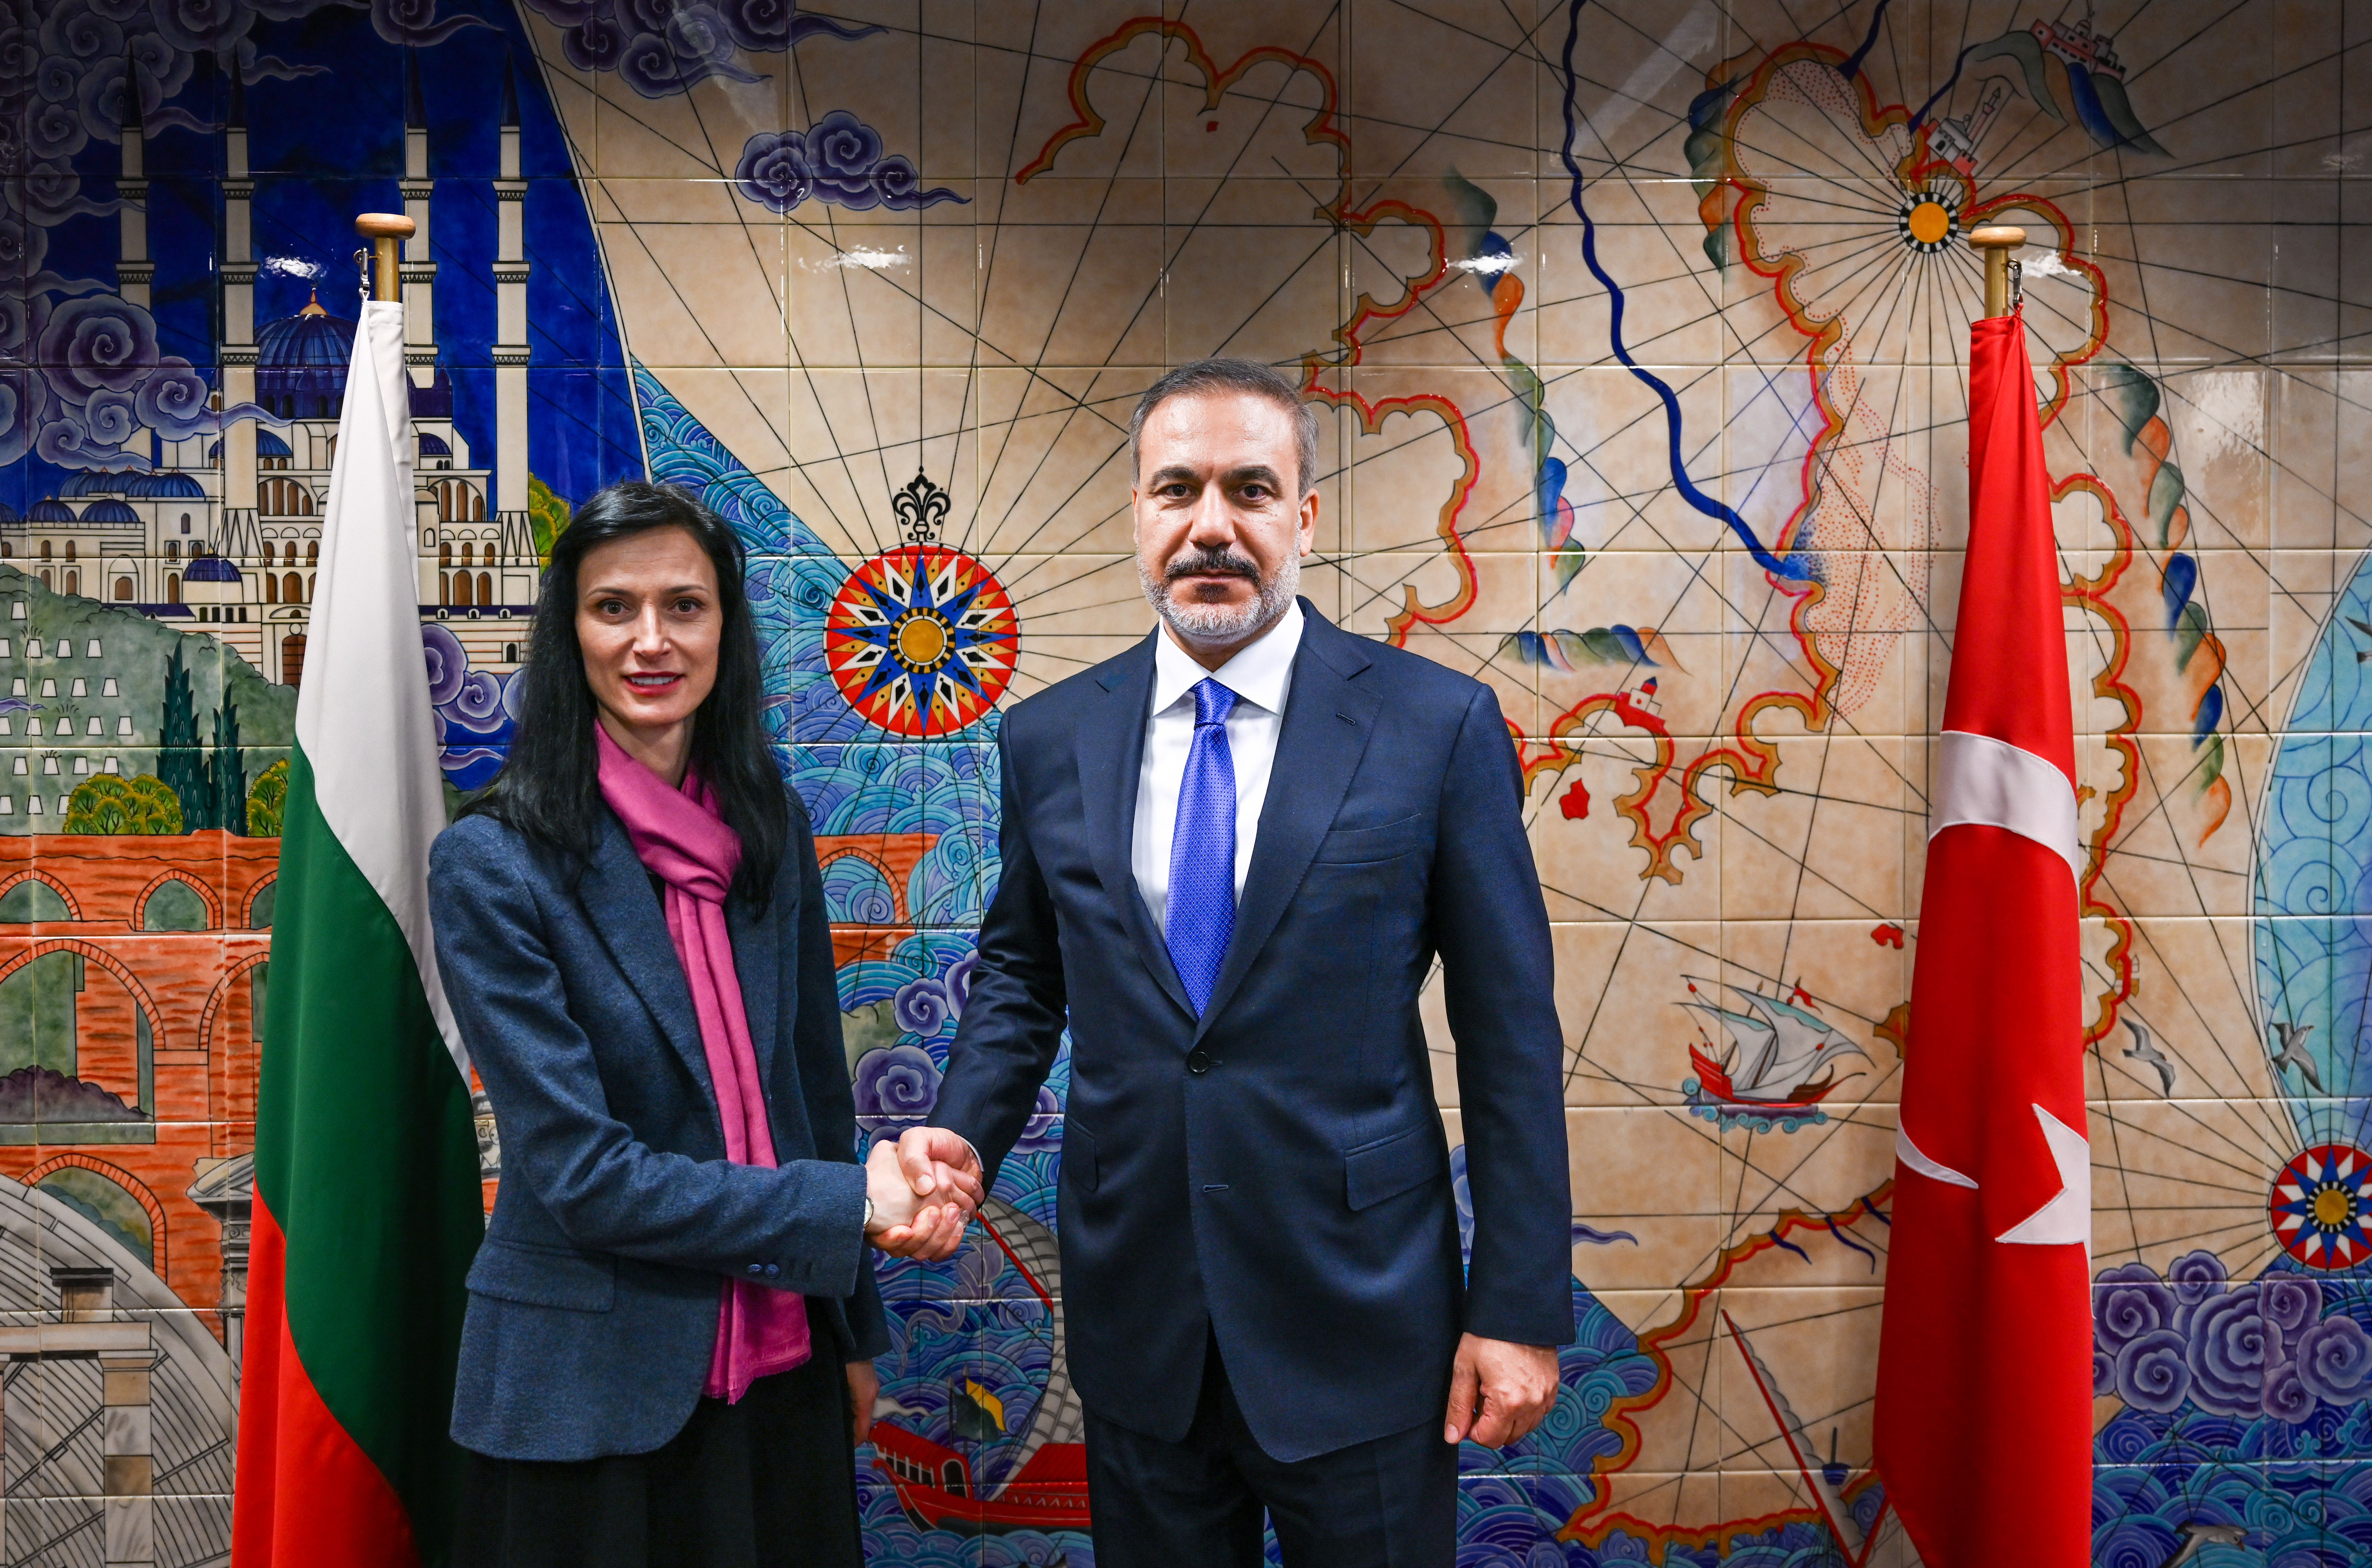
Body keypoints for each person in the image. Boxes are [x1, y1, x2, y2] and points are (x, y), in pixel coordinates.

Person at [897, 360, 1573, 1565]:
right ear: (1140, 518)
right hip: (1140, 1313)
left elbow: (1510, 1030)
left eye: (1250, 489)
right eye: (1179, 491)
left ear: (1303, 516)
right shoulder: (1051, 736)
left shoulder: (1435, 727)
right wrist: (959, 1138)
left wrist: (1517, 1306)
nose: (1213, 525)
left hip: (1361, 1310)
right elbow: (1022, 978)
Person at [429, 481, 973, 1568]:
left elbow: (814, 1098)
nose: (650, 641)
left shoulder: (767, 823)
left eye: (685, 606)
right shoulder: (495, 863)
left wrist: (852, 1336)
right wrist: (852, 1204)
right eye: (612, 608)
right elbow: (583, 1177)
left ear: (726, 627)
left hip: (784, 1373)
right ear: (566, 630)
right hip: (587, 1400)